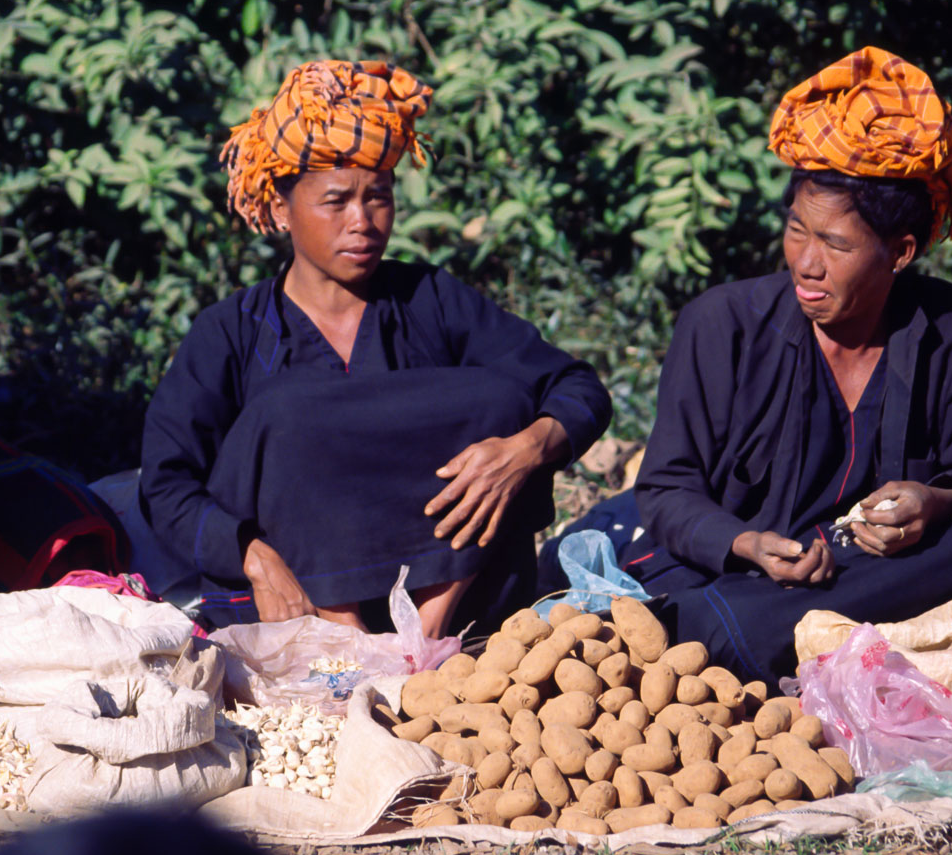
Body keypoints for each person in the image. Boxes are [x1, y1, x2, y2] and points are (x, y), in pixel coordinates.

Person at [607, 46, 952, 682]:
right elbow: (665, 489)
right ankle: (778, 631)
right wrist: (746, 544)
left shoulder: (948, 322)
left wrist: (933, 502)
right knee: (711, 619)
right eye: (798, 231)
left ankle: (796, 636)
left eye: (836, 244)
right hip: (757, 583)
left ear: (900, 253)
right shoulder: (722, 323)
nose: (806, 262)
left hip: (890, 569)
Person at [139, 60, 611, 637]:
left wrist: (528, 449)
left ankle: (425, 634)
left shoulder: (430, 300)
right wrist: (255, 558)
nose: (362, 222)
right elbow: (165, 484)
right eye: (336, 202)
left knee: (500, 397)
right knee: (288, 413)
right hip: (297, 609)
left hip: (459, 602)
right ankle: (348, 635)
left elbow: (577, 388)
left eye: (379, 198)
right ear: (283, 209)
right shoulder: (231, 332)